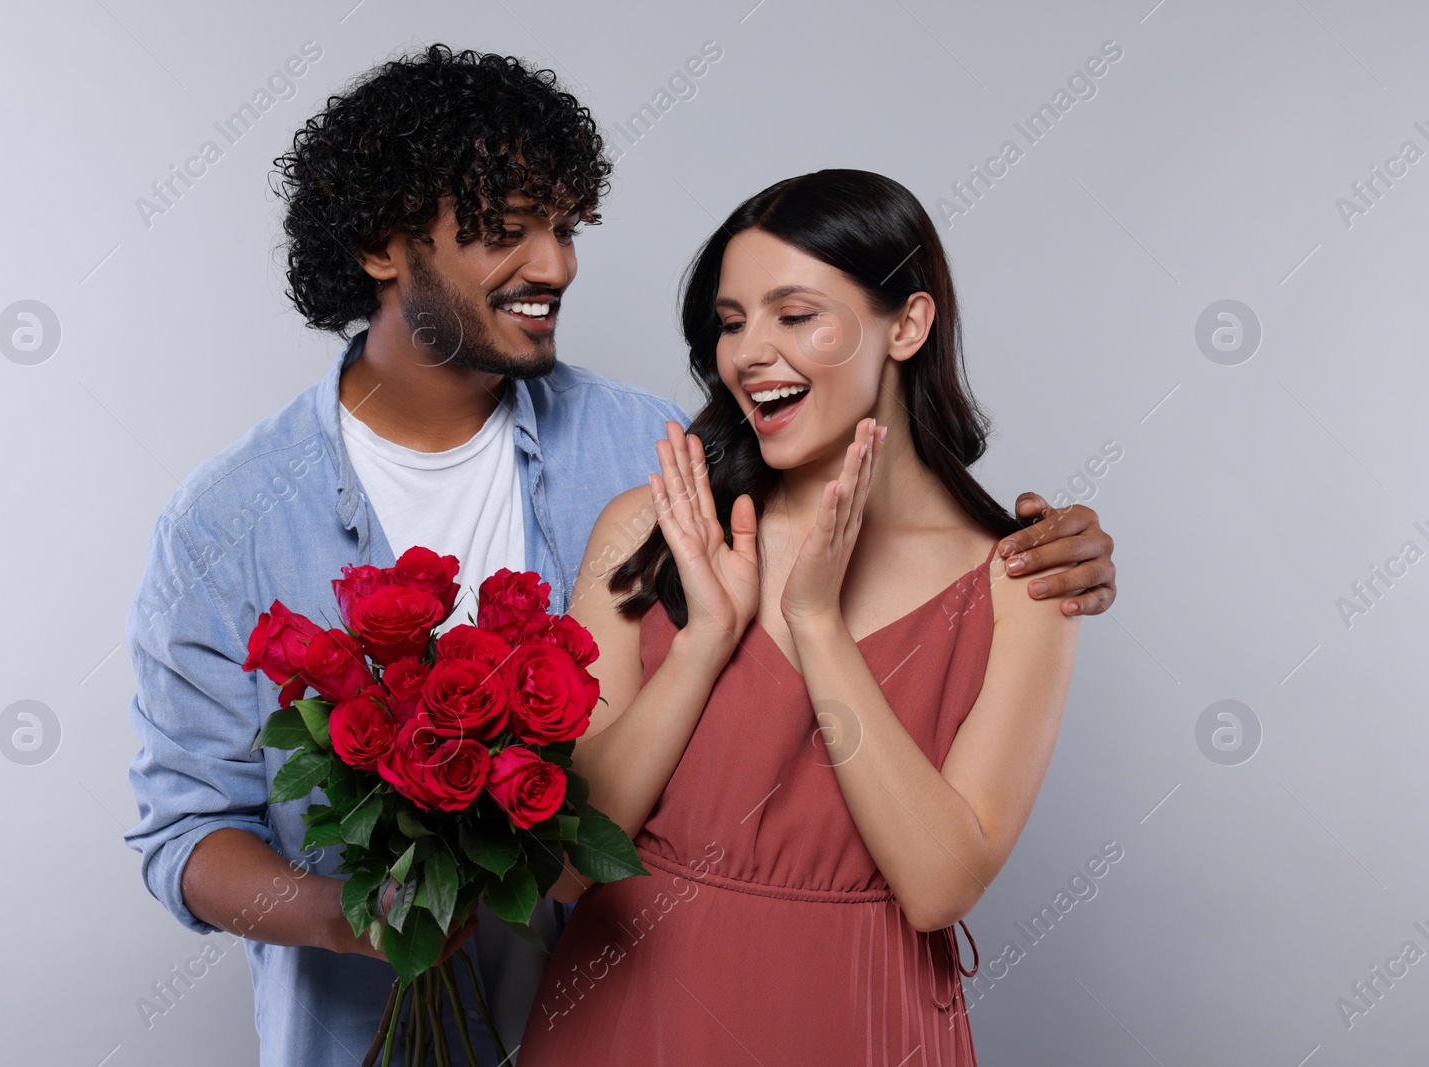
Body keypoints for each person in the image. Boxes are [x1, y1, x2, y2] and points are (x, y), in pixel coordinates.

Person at [121, 46, 1117, 1067]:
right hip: (381, 1028)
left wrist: (1040, 547)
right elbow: (185, 830)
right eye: (509, 231)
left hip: (641, 999)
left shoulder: (662, 454)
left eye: (565, 227)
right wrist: (353, 915)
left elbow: (840, 508)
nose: (556, 266)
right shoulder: (230, 521)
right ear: (384, 245)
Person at [521, 169, 1087, 1065]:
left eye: (795, 315)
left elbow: (939, 884)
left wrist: (816, 623)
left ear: (907, 324)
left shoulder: (1022, 581)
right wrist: (704, 642)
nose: (748, 353)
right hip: (630, 1016)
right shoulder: (649, 529)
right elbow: (562, 865)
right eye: (733, 320)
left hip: (861, 1019)